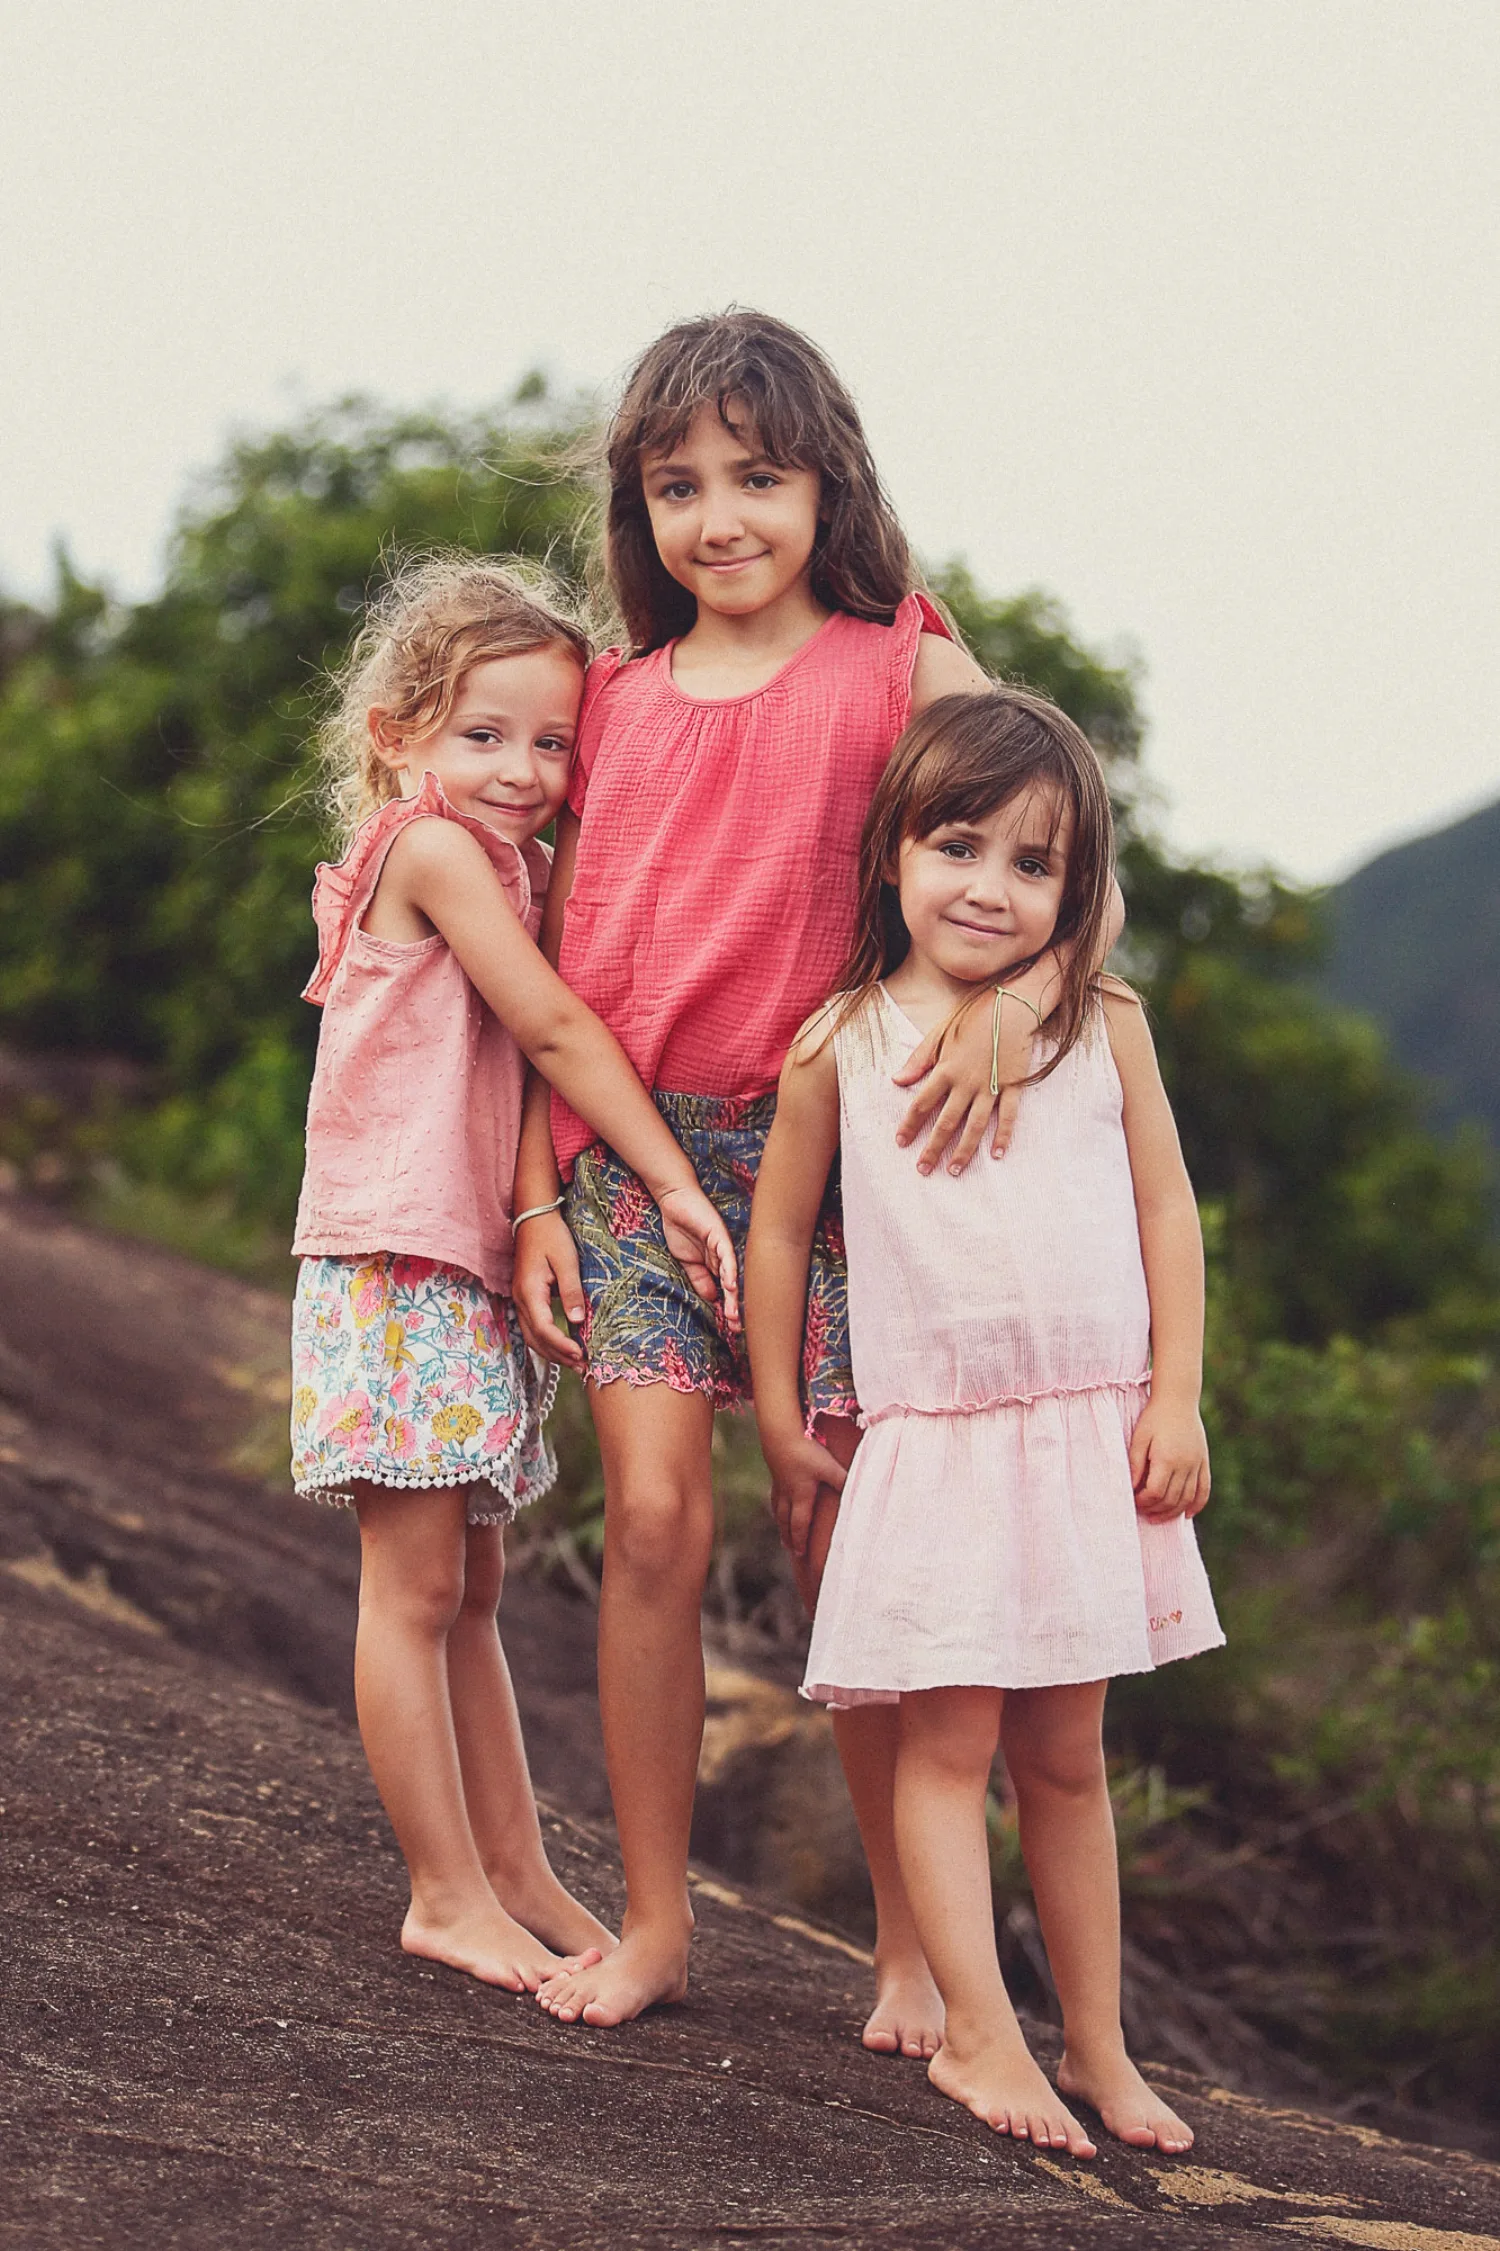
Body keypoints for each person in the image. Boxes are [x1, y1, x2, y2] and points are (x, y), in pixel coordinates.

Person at [513, 309, 1118, 2033]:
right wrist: (534, 1192)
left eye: (758, 477)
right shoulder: (603, 697)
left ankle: (913, 1945)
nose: (721, 517)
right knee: (648, 1520)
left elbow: (1054, 849)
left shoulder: (901, 661)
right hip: (633, 1155)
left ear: (824, 480)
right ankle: (653, 1921)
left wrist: (1034, 1000)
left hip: (841, 1165)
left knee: (845, 1523)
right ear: (640, 506)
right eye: (679, 481)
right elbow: (537, 971)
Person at [745, 688, 1223, 2157]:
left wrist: (1177, 1393)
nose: (992, 888)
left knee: (1067, 1761)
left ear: (1077, 896)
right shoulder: (839, 1041)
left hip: (1085, 1441)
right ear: (892, 849)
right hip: (938, 1444)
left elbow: (1164, 1204)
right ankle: (980, 2034)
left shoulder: (1101, 1019)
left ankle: (1102, 2046)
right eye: (959, 846)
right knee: (946, 1754)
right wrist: (777, 1413)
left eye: (1036, 866)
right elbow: (775, 1235)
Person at [290, 553, 738, 1994]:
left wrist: (546, 1204)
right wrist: (669, 1175)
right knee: (414, 1587)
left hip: (464, 1258)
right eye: (484, 734)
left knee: (473, 1586)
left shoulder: (516, 864)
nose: (524, 769)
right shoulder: (423, 848)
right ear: (400, 736)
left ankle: (516, 1864)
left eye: (554, 742)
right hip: (395, 1258)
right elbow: (545, 1024)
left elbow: (512, 1049)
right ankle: (440, 1887)